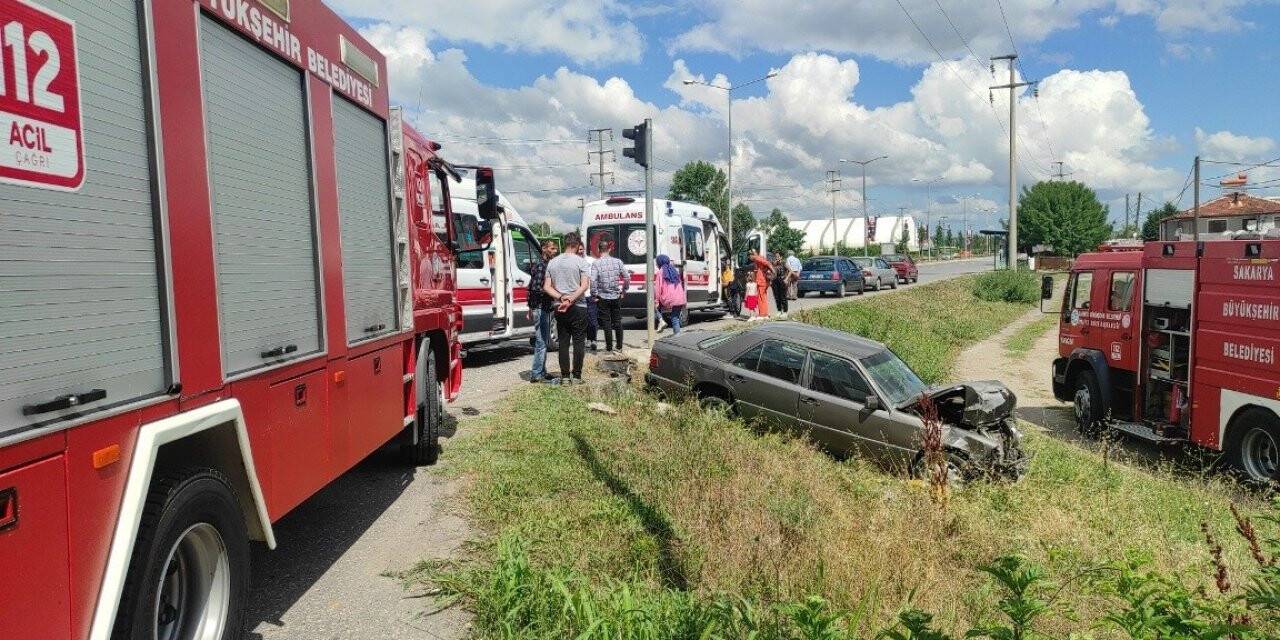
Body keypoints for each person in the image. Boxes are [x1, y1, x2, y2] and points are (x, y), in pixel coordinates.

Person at [543, 232, 591, 383]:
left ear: (565, 244)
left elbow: (546, 287)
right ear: (577, 245)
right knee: (578, 341)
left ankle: (564, 377)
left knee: (563, 342)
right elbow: (584, 286)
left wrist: (561, 297)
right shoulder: (581, 262)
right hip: (578, 305)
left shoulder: (552, 262)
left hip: (559, 306)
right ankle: (576, 376)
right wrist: (571, 298)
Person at [526, 239, 559, 382]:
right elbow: (535, 288)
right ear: (544, 249)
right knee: (540, 341)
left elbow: (530, 287)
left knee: (544, 341)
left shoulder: (546, 265)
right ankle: (536, 374)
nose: (555, 251)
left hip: (544, 307)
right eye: (552, 248)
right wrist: (553, 294)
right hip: (540, 307)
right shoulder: (541, 266)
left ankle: (542, 371)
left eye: (555, 249)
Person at [590, 239, 629, 354]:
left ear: (598, 250)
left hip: (602, 297)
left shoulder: (596, 264)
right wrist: (624, 290)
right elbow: (626, 277)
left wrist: (594, 294)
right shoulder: (618, 262)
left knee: (606, 323)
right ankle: (619, 346)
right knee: (617, 321)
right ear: (609, 249)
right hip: (616, 296)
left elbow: (593, 280)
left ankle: (609, 347)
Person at [654, 254, 687, 334]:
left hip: (668, 299)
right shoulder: (675, 271)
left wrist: (656, 301)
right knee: (675, 318)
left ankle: (661, 320)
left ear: (659, 262)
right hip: (680, 298)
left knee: (653, 305)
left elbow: (658, 289)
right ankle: (678, 337)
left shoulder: (660, 272)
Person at [581, 243, 599, 352]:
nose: (580, 251)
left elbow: (596, 276)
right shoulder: (574, 262)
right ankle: (588, 339)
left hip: (590, 294)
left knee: (592, 319)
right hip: (579, 295)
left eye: (582, 249)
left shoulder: (591, 261)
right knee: (584, 319)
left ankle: (594, 339)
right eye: (578, 249)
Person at [748, 247, 772, 320]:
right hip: (762, 280)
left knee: (761, 298)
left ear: (753, 254)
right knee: (763, 297)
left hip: (762, 281)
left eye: (750, 256)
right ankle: (765, 314)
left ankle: (762, 314)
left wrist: (772, 270)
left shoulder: (757, 258)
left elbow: (767, 263)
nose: (750, 258)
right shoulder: (759, 258)